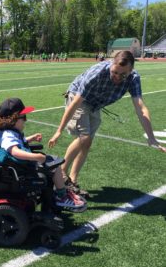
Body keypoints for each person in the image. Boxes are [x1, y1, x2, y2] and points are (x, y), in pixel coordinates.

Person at [48, 50, 166, 196]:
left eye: (123, 74)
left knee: (88, 142)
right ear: (111, 64)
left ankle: (72, 180)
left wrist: (151, 136)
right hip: (79, 98)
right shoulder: (97, 74)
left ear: (131, 71)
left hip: (96, 104)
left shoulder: (133, 78)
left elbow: (141, 108)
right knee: (84, 138)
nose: (117, 77)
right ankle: (61, 176)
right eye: (115, 72)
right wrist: (59, 130)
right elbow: (76, 102)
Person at [0, 98, 86, 209]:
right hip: (22, 167)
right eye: (23, 117)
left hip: (23, 163)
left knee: (54, 162)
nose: (25, 120)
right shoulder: (8, 135)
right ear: (12, 120)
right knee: (55, 167)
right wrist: (36, 157)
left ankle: (60, 192)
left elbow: (17, 144)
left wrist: (30, 139)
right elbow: (14, 151)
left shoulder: (11, 132)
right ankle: (62, 196)